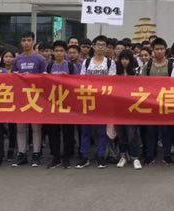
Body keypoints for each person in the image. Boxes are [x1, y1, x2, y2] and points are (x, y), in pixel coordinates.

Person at [77, 35, 115, 169]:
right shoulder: (87, 62)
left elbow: (112, 82)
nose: (101, 47)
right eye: (98, 45)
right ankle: (84, 156)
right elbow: (81, 80)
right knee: (85, 131)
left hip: (103, 101)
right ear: (93, 46)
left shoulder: (110, 63)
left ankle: (100, 156)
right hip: (88, 100)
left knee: (102, 131)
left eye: (103, 45)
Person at [11, 32, 47, 167]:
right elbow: (12, 77)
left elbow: (45, 78)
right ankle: (21, 153)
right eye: (23, 40)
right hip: (21, 98)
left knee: (36, 127)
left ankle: (36, 154)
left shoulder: (40, 59)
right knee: (20, 127)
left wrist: (32, 77)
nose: (26, 43)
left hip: (36, 97)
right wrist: (16, 75)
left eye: (28, 40)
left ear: (33, 41)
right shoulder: (17, 59)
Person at [141, 38, 174, 165]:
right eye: (157, 49)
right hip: (151, 103)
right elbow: (141, 83)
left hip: (167, 102)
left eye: (162, 49)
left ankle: (166, 155)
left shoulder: (172, 65)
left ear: (165, 50)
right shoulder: (147, 65)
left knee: (167, 130)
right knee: (150, 130)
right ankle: (150, 155)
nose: (159, 51)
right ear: (153, 50)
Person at [45, 40, 78, 169]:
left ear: (65, 53)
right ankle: (55, 156)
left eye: (61, 51)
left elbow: (77, 84)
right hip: (53, 103)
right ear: (53, 52)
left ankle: (67, 156)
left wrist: (68, 79)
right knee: (53, 131)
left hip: (68, 103)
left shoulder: (71, 67)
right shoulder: (49, 66)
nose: (59, 53)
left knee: (68, 131)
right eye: (56, 51)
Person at [114, 49, 142, 170]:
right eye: (122, 59)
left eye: (127, 59)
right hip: (118, 107)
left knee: (132, 134)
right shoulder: (115, 72)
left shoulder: (136, 72)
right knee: (121, 134)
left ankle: (135, 157)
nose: (124, 61)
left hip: (132, 107)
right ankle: (123, 156)